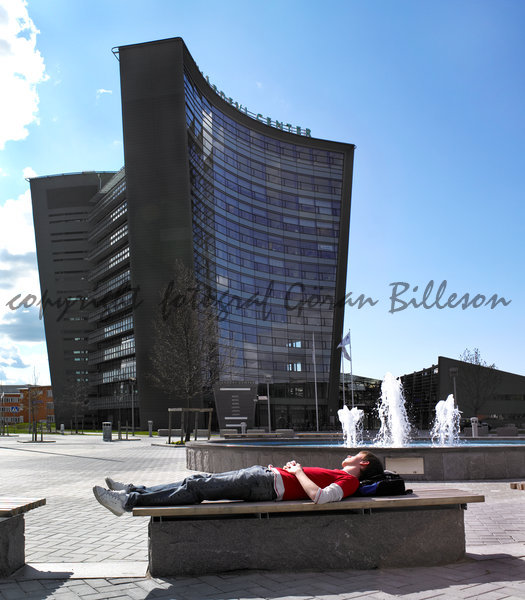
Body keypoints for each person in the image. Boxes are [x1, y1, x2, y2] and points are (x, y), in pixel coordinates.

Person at [93, 450, 383, 516]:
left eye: (355, 455)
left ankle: (127, 503)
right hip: (264, 477)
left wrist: (296, 471)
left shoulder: (349, 481)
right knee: (195, 480)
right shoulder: (344, 476)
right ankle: (132, 491)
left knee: (197, 488)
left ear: (364, 464)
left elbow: (319, 497)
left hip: (264, 485)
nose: (349, 455)